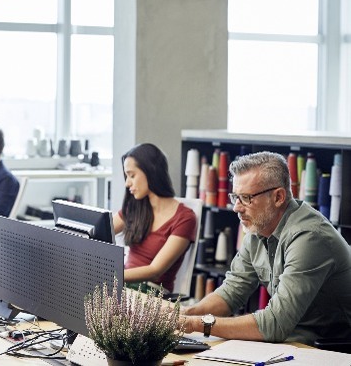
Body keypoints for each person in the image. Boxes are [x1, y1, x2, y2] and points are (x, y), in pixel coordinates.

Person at [183, 151, 351, 344]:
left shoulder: (310, 238)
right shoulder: (257, 229)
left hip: (331, 347)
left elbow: (274, 324)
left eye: (246, 198)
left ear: (278, 197)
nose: (236, 207)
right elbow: (232, 292)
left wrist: (196, 324)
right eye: (235, 197)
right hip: (293, 340)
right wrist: (185, 314)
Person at [113, 143, 197, 293]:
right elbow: (101, 230)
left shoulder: (185, 218)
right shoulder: (135, 208)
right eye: (127, 176)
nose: (127, 183)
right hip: (124, 287)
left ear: (150, 171)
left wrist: (112, 276)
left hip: (153, 293)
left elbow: (155, 270)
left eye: (132, 175)